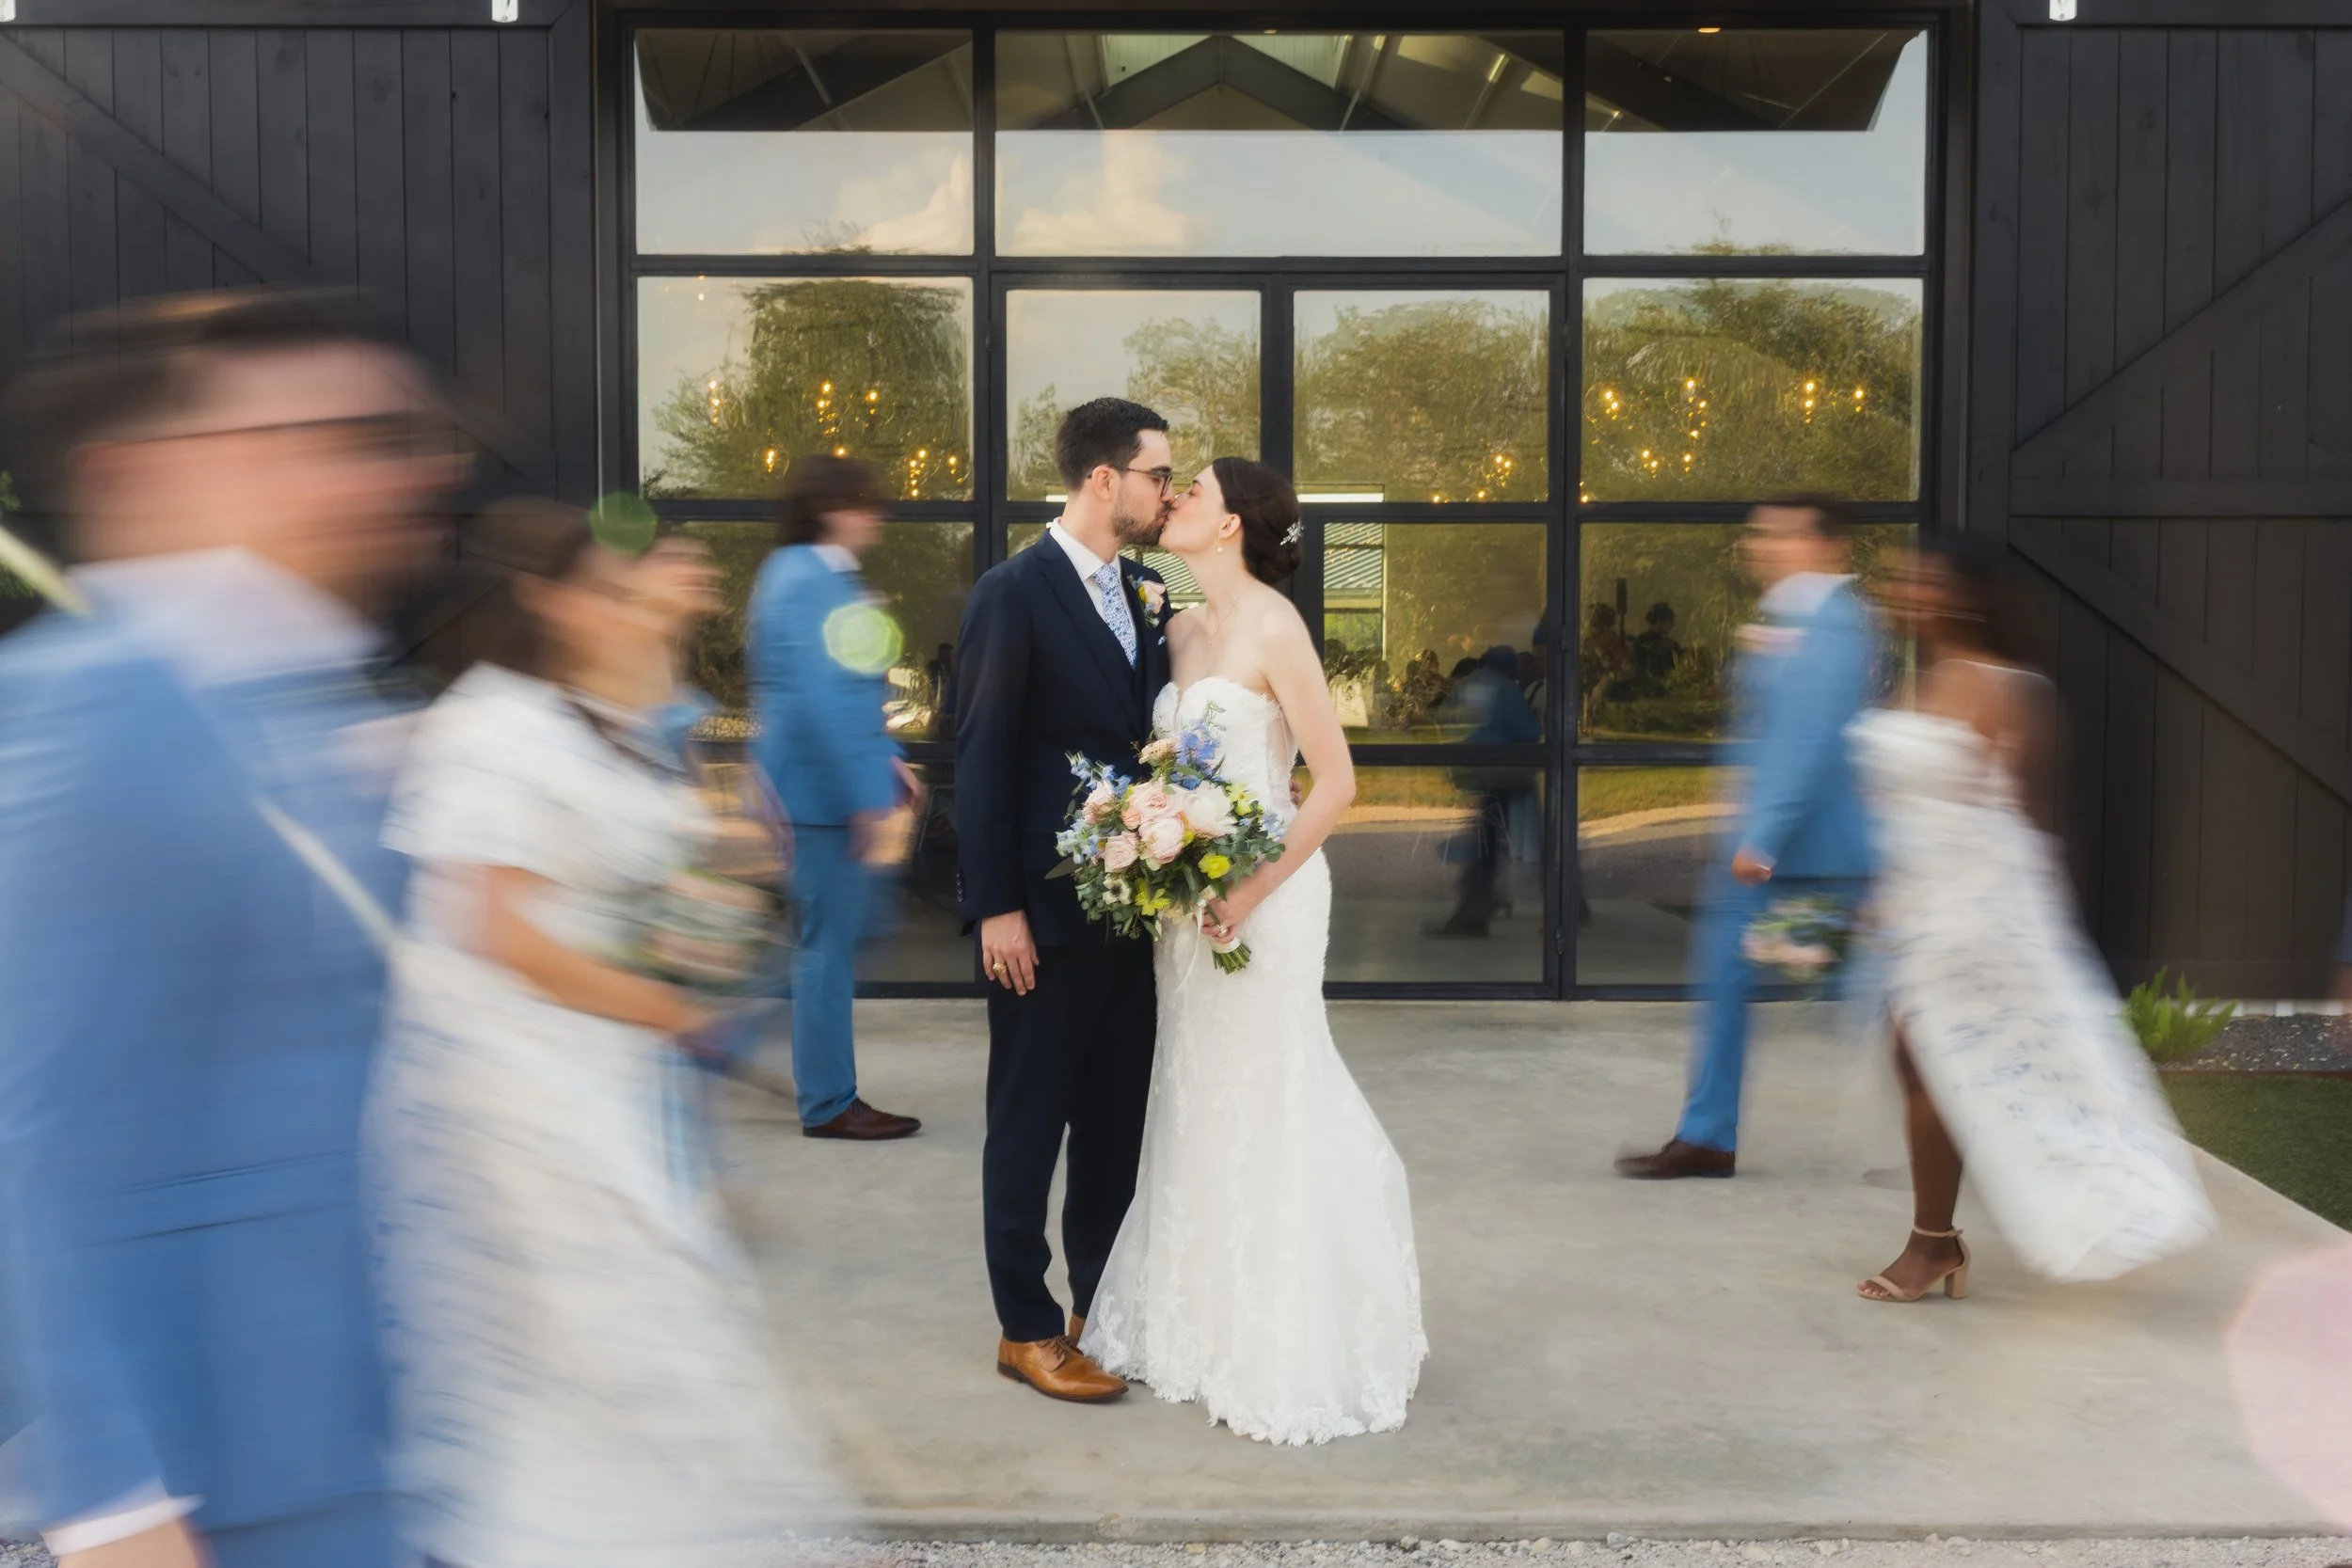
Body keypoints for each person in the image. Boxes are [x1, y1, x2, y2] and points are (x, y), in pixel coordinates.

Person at [0, 290, 455, 1568]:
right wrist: (111, 1503)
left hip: (349, 1421)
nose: (391, 472)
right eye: (337, 434)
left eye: (397, 435)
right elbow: (28, 1129)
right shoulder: (93, 709)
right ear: (158, 470)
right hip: (217, 1464)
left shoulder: (312, 689)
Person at [372, 499, 837, 1566]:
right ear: (548, 600)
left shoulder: (596, 715)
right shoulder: (492, 725)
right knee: (593, 1351)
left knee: (643, 1341)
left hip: (601, 1073)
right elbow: (502, 934)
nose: (636, 610)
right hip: (519, 1090)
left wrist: (724, 886)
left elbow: (661, 861)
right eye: (614, 593)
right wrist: (679, 1008)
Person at [1080, 457, 1426, 1444]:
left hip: (1266, 898)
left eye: (1190, 490)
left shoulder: (1276, 625)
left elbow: (1334, 784)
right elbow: (1168, 762)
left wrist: (1247, 884)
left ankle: (1285, 1331)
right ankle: (1199, 1322)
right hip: (1184, 907)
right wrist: (1151, 839)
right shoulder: (1181, 626)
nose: (1174, 498)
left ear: (1230, 523)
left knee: (1270, 1081)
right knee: (1194, 1085)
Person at [1847, 533, 2214, 1299]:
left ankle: (1933, 1243)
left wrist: (2036, 934)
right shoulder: (1920, 681)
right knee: (1923, 1066)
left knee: (1936, 1065)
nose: (1910, 593)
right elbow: (1906, 807)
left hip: (1982, 915)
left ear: (1965, 595)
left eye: (1927, 583)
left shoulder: (2010, 688)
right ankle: (1937, 1240)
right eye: (1905, 582)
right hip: (1923, 906)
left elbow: (2033, 820)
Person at [955, 398, 1173, 1403]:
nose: (1165, 491)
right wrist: (995, 906)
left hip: (1127, 915)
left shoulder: (1142, 589)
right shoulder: (1014, 590)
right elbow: (982, 755)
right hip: (1038, 919)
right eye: (1156, 474)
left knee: (1112, 1124)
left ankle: (1095, 1305)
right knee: (1029, 1120)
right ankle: (1025, 1325)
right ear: (1103, 478)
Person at [1617, 498, 1878, 1180]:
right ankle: (1706, 1135)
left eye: (1780, 533)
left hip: (1809, 856)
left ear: (1827, 545)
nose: (1762, 544)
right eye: (1761, 532)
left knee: (1875, 998)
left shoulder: (1837, 621)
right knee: (1726, 984)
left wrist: (1761, 838)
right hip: (1768, 853)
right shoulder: (1786, 614)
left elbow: (1809, 737)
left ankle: (1945, 1123)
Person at [749, 456, 924, 1141]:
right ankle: (827, 1101)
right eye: (865, 503)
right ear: (832, 506)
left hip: (826, 789)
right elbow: (816, 698)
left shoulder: (819, 576)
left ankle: (800, 1074)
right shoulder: (803, 577)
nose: (875, 517)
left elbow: (850, 689)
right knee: (826, 951)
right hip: (819, 797)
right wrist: (861, 797)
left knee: (830, 943)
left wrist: (888, 760)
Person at [1434, 645, 1541, 938]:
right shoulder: (1505, 690)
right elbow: (1530, 731)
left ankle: (1478, 906)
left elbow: (1445, 717)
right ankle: (1477, 909)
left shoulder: (1469, 685)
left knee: (1487, 838)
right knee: (1497, 841)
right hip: (1501, 773)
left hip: (1473, 771)